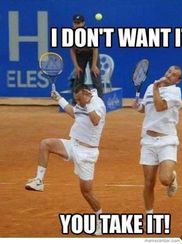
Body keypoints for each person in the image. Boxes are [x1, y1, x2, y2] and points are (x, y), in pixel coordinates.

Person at [25, 84, 106, 235]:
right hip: (72, 145)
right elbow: (75, 113)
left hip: (87, 153)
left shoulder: (97, 103)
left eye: (79, 99)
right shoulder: (82, 101)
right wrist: (59, 99)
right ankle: (38, 181)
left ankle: (100, 219)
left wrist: (87, 104)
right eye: (76, 100)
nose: (78, 102)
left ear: (87, 94)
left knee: (86, 192)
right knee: (45, 144)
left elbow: (95, 121)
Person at [133, 65, 182, 214]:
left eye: (174, 75)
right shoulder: (150, 87)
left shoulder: (175, 92)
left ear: (178, 81)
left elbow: (160, 106)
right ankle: (150, 214)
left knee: (165, 180)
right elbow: (145, 108)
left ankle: (172, 177)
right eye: (169, 71)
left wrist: (156, 87)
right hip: (148, 141)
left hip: (167, 140)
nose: (169, 75)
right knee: (148, 183)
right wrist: (138, 107)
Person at [70, 14, 103, 98]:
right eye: (76, 23)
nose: (78, 25)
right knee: (78, 78)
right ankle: (76, 103)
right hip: (80, 55)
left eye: (79, 23)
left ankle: (100, 102)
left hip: (92, 54)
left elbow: (95, 49)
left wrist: (94, 65)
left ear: (83, 23)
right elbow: (72, 51)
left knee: (95, 77)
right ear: (73, 24)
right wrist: (76, 66)